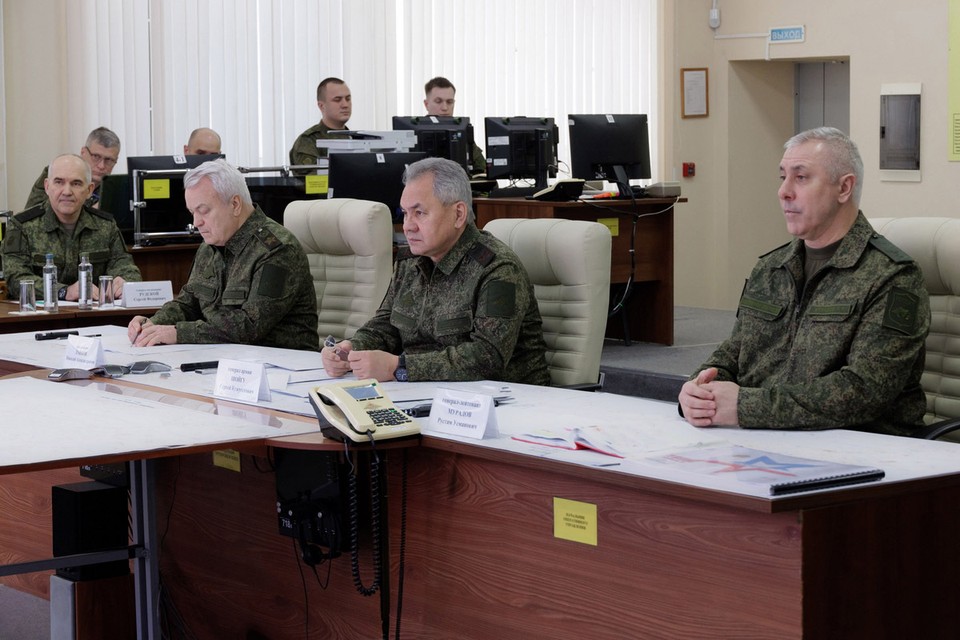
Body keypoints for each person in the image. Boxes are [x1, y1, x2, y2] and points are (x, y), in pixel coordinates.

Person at [678, 127, 929, 437]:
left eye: (801, 177)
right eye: (782, 177)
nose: (784, 191)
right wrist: (697, 389)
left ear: (844, 188)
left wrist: (746, 406)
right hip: (766, 438)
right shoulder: (771, 268)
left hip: (861, 448)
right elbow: (735, 351)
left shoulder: (892, 276)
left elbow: (865, 390)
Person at [321, 157, 550, 385]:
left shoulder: (497, 269)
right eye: (405, 213)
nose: (408, 226)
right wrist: (351, 348)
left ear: (458, 214)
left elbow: (487, 358)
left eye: (419, 213)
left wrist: (398, 367)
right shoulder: (410, 261)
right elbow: (386, 326)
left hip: (507, 399)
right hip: (426, 391)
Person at [127, 158, 319, 351]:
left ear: (235, 204)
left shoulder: (277, 250)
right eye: (192, 212)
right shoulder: (209, 246)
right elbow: (188, 303)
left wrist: (178, 333)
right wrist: (153, 324)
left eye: (203, 211)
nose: (196, 222)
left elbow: (249, 326)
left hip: (279, 362)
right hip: (225, 357)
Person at [3, 153, 141, 302]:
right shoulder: (22, 226)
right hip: (40, 314)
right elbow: (16, 279)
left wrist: (124, 281)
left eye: (76, 183)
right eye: (59, 182)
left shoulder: (105, 226)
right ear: (47, 186)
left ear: (89, 190)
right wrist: (63, 291)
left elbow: (126, 267)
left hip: (93, 311)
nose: (67, 192)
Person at [24, 127, 121, 210]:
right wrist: (95, 211)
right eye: (96, 156)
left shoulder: (114, 188)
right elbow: (33, 216)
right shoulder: (57, 172)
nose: (101, 166)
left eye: (108, 160)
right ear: (83, 152)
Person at [423, 76, 486, 176]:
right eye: (438, 101)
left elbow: (483, 171)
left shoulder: (461, 132)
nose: (445, 108)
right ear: (426, 104)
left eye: (449, 102)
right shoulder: (415, 133)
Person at [288, 77, 352, 168]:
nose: (345, 105)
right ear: (322, 106)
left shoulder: (358, 139)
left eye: (348, 99)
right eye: (337, 100)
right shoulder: (309, 141)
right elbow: (313, 176)